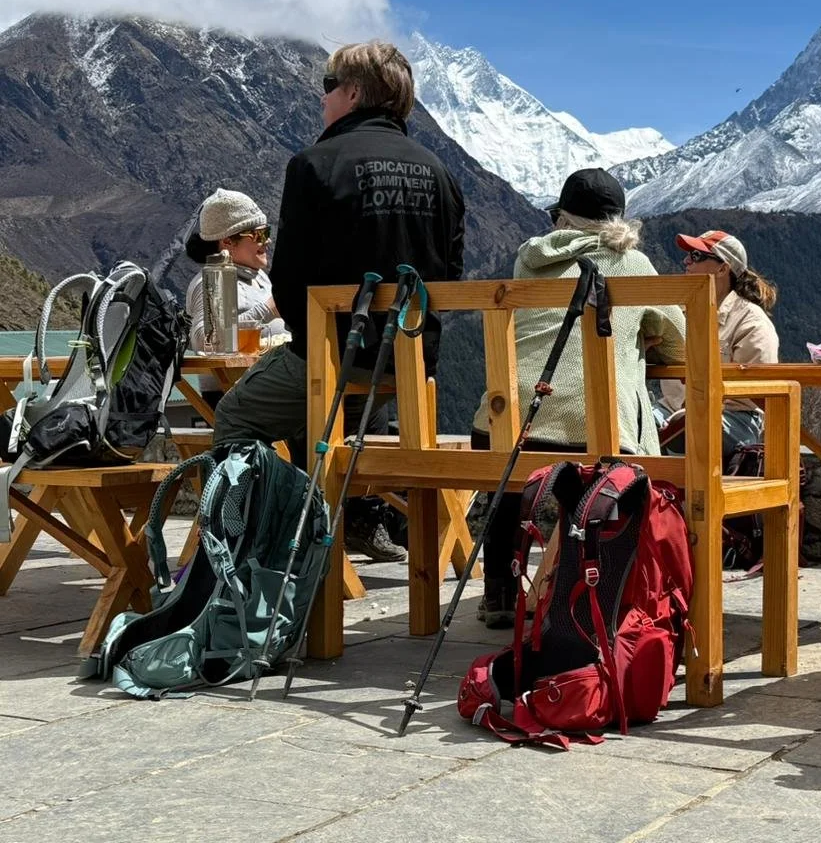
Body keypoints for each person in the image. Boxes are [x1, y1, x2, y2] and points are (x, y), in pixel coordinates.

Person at [214, 40, 466, 562]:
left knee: (236, 416)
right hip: (408, 370)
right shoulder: (441, 175)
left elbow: (290, 279)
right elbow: (450, 277)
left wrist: (311, 343)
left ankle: (249, 557)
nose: (322, 98)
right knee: (317, 419)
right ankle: (332, 535)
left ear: (352, 93)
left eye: (328, 87)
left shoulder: (314, 164)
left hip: (334, 360)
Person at [471, 168, 685, 627]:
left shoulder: (529, 260)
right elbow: (683, 344)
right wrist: (640, 335)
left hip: (506, 423)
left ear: (561, 219)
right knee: (602, 463)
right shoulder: (634, 264)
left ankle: (500, 591)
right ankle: (593, 591)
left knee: (507, 470)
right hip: (598, 433)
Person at [657, 230, 780, 462]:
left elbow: (758, 390)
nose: (686, 261)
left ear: (723, 268)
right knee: (630, 423)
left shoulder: (751, 321)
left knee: (689, 426)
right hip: (671, 411)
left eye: (696, 255)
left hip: (734, 417)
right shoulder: (680, 313)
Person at [183, 188, 287, 410]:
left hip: (264, 381)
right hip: (233, 391)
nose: (267, 241)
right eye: (258, 235)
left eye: (266, 232)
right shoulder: (214, 280)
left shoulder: (259, 276)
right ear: (228, 242)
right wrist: (267, 310)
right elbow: (206, 340)